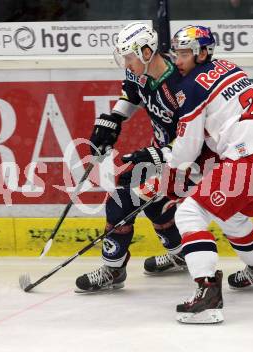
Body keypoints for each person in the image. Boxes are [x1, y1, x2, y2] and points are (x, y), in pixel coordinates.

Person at [164, 25, 253, 323]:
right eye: (176, 53)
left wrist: (168, 162)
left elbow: (187, 148)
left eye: (184, 54)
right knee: (230, 214)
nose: (177, 60)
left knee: (189, 214)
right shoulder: (229, 67)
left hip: (248, 157)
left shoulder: (191, 86)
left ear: (202, 53)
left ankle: (207, 295)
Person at [74, 22, 187, 293]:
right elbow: (131, 94)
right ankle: (181, 251)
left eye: (129, 57)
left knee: (122, 199)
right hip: (161, 152)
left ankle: (113, 269)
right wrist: (114, 119)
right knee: (151, 202)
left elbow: (193, 135)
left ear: (147, 52)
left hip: (185, 158)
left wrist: (160, 155)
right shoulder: (140, 72)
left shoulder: (180, 85)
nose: (126, 63)